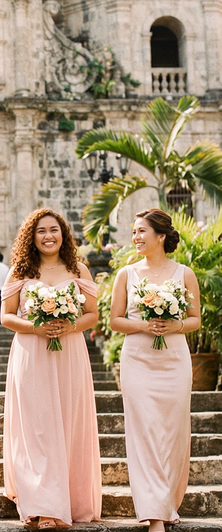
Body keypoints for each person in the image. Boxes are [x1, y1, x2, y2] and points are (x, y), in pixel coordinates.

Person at [0, 208, 101, 528]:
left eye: (54, 230)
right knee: (36, 427)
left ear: (64, 234)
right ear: (32, 236)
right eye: (41, 231)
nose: (48, 236)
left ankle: (63, 500)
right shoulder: (19, 270)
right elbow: (6, 317)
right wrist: (36, 327)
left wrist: (68, 326)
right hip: (31, 353)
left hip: (69, 353)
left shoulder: (79, 269)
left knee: (68, 423)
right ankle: (41, 505)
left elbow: (92, 315)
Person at [109, 208, 200, 532]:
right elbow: (115, 320)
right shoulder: (127, 274)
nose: (135, 237)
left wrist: (174, 324)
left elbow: (194, 319)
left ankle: (166, 502)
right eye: (134, 232)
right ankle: (154, 514)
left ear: (161, 236)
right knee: (144, 433)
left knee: (172, 434)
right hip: (138, 360)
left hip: (174, 361)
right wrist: (144, 325)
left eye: (141, 231)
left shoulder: (184, 273)